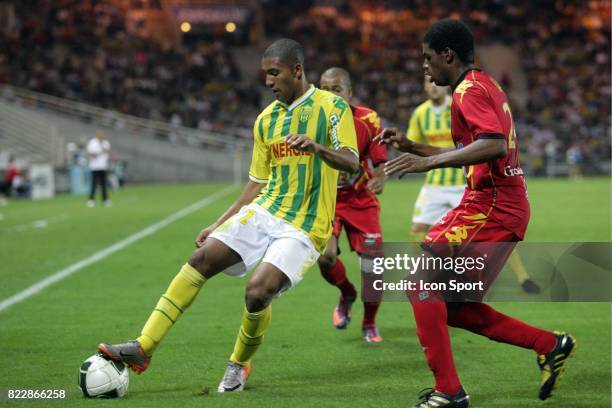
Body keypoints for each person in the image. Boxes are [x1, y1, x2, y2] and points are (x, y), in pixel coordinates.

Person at [98, 38, 359, 393]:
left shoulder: (332, 107)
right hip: (266, 210)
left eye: (274, 73)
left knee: (257, 292)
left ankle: (238, 363)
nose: (268, 81)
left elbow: (351, 162)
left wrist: (315, 147)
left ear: (296, 70)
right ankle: (144, 347)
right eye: (265, 73)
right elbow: (256, 184)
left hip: (305, 224)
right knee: (201, 259)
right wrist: (219, 222)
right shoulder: (266, 121)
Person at [377, 19, 575, 407]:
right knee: (457, 308)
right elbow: (473, 154)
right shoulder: (484, 85)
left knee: (420, 284)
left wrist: (426, 166)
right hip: (496, 204)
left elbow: (494, 146)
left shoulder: (468, 91)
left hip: (492, 206)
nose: (425, 66)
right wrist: (414, 147)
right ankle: (550, 344)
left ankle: (449, 392)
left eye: (428, 58)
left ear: (447, 54)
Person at [407, 77, 541, 294]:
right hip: (434, 184)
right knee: (417, 230)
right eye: (426, 81)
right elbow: (412, 142)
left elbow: (483, 144)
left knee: (490, 231)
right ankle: (429, 280)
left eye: (435, 81)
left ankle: (521, 277)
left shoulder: (462, 102)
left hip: (464, 181)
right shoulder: (420, 114)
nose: (432, 85)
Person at [318, 67, 388, 342]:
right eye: (325, 89)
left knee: (374, 268)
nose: (330, 94)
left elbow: (379, 160)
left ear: (349, 93)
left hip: (360, 200)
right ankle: (347, 293)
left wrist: (381, 178)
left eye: (337, 89)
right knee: (325, 257)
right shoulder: (311, 119)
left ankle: (369, 322)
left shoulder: (367, 119)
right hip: (327, 199)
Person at [86, 129, 111, 207]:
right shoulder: (92, 142)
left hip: (103, 166)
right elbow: (91, 153)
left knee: (104, 184)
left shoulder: (105, 143)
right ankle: (91, 199)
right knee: (94, 184)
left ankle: (105, 200)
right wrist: (98, 152)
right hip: (95, 166)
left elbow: (108, 152)